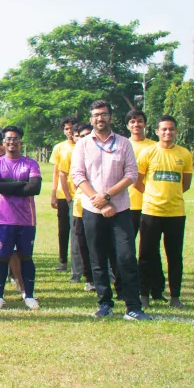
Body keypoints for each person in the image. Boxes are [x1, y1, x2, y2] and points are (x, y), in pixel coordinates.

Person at [71, 100, 150, 320]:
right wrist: (100, 202)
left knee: (126, 257)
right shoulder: (83, 144)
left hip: (121, 209)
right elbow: (78, 176)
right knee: (98, 258)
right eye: (96, 115)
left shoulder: (124, 143)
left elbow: (131, 175)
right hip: (92, 209)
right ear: (91, 118)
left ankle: (133, 306)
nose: (100, 118)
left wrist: (107, 197)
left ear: (111, 118)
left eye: (104, 114)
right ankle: (105, 302)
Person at [135, 115, 194, 308]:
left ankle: (175, 296)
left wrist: (170, 195)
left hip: (176, 213)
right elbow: (137, 181)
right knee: (146, 255)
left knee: (174, 256)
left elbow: (185, 184)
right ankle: (143, 294)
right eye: (164, 129)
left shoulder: (184, 154)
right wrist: (153, 195)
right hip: (151, 211)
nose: (168, 132)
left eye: (171, 129)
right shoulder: (148, 152)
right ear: (157, 131)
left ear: (176, 131)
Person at [0, 126, 43, 311]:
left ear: (21, 142)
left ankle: (29, 295)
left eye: (15, 139)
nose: (12, 142)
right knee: (2, 257)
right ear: (3, 142)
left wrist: (7, 184)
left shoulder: (30, 163)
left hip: (26, 219)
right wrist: (21, 183)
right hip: (3, 219)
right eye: (8, 139)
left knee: (26, 257)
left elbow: (35, 188)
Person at [67, 122, 96, 290]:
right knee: (82, 244)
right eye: (80, 136)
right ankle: (88, 279)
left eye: (87, 135)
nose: (84, 139)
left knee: (100, 243)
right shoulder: (72, 154)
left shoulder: (100, 152)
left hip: (97, 205)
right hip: (79, 205)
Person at [48, 117, 77, 273]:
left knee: (77, 230)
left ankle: (78, 261)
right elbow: (56, 173)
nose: (70, 131)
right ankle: (63, 261)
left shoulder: (84, 145)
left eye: (72, 128)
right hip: (62, 194)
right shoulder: (59, 147)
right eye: (66, 129)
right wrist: (53, 194)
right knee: (63, 229)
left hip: (80, 194)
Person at [125, 109, 157, 242]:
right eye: (132, 122)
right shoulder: (123, 145)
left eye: (139, 121)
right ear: (127, 126)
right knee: (126, 242)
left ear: (145, 124)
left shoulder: (155, 146)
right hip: (127, 202)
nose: (136, 124)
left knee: (148, 243)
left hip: (150, 203)